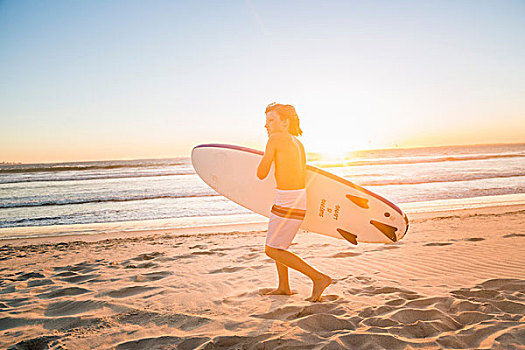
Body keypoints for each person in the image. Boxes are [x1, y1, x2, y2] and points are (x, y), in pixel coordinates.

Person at [257, 102, 332, 302]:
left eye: (271, 120)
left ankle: (319, 278)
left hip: (288, 200)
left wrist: (267, 155)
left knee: (272, 249)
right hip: (296, 198)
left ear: (285, 121)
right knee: (278, 244)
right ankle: (283, 287)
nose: (267, 125)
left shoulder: (275, 139)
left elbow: (261, 173)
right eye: (266, 122)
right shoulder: (298, 143)